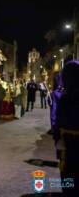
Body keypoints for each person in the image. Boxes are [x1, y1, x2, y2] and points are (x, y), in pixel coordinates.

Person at [56, 60, 79, 196]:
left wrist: (58, 139)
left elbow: (59, 122)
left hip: (68, 144)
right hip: (68, 142)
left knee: (68, 178)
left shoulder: (65, 98)